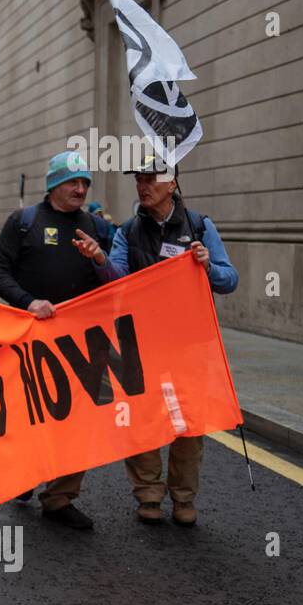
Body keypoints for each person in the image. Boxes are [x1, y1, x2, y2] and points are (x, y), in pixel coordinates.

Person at [97, 155, 238, 526]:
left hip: (190, 345)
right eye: (139, 180)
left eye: (151, 179)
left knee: (188, 425)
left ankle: (184, 498)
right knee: (142, 421)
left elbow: (230, 279)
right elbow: (116, 283)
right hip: (141, 344)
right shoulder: (127, 232)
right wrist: (100, 260)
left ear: (172, 184)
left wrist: (208, 266)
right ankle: (148, 494)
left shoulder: (200, 226)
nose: (143, 186)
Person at [0, 149, 115, 530]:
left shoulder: (97, 226)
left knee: (78, 420)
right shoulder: (23, 221)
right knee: (31, 413)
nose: (79, 189)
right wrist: (29, 302)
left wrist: (99, 260)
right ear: (54, 185)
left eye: (84, 183)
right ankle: (25, 475)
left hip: (83, 342)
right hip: (31, 339)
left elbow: (114, 279)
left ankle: (60, 498)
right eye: (72, 182)